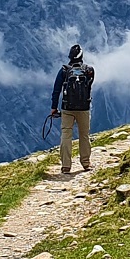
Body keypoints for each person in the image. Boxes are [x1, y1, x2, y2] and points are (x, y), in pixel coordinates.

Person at [50, 45, 95, 174]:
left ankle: (66, 166)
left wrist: (54, 107)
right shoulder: (89, 70)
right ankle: (86, 163)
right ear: (82, 56)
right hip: (84, 108)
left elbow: (56, 90)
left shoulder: (64, 71)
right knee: (84, 135)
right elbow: (89, 86)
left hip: (67, 108)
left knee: (66, 135)